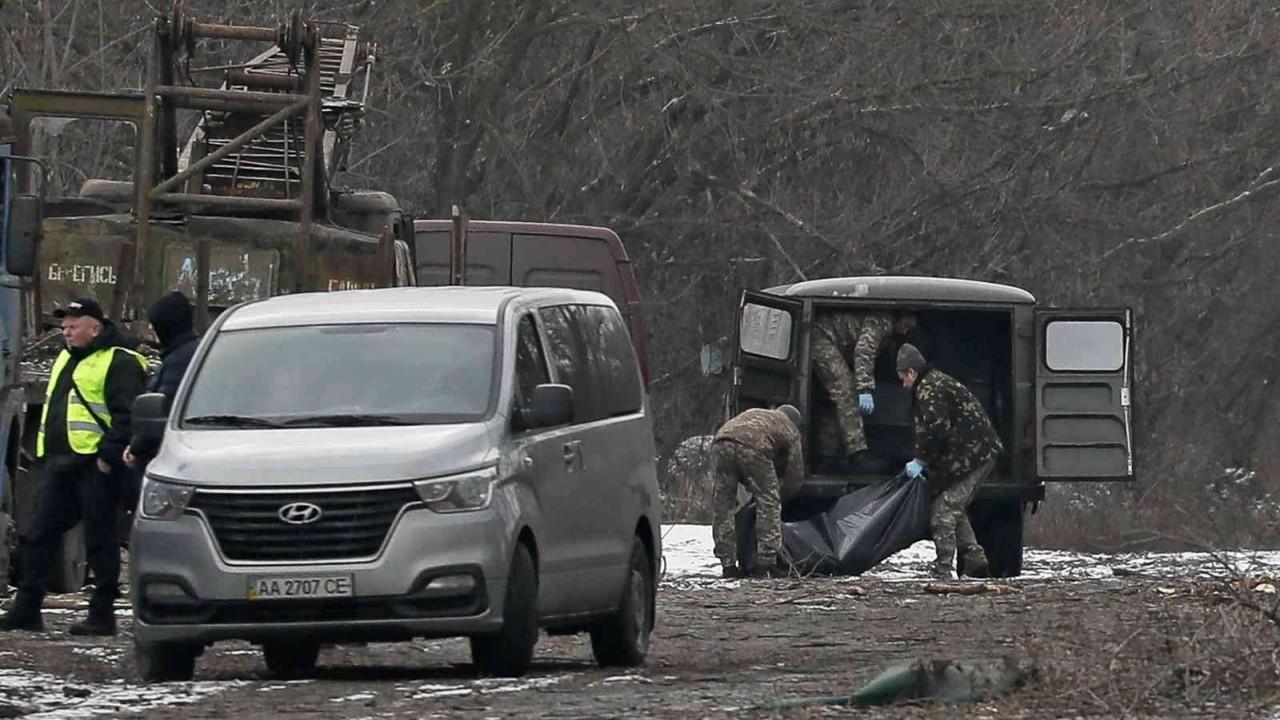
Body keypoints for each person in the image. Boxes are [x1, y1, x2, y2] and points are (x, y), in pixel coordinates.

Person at [0, 297, 148, 635]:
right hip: (62, 463)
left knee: (100, 540)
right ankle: (27, 608)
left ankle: (102, 613)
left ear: (94, 328)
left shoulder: (121, 361)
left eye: (73, 326)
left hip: (95, 466)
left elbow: (128, 416)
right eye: (64, 327)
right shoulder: (67, 357)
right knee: (39, 534)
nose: (66, 332)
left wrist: (107, 457)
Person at [897, 343, 1001, 581]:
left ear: (911, 373)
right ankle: (975, 560)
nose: (903, 385)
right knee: (953, 506)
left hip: (974, 457)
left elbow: (937, 430)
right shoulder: (934, 382)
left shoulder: (929, 388)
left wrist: (921, 461)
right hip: (972, 456)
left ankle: (943, 571)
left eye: (903, 378)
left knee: (942, 513)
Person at [811, 311, 917, 473]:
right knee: (845, 391)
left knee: (837, 397)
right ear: (900, 317)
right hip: (821, 337)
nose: (905, 331)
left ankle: (828, 456)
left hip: (832, 342)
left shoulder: (890, 336)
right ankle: (858, 454)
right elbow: (864, 351)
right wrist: (864, 388)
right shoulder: (882, 321)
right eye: (906, 326)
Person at [711, 404, 804, 579]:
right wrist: (785, 496)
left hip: (721, 442)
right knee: (768, 502)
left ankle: (728, 565)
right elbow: (796, 474)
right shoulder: (790, 428)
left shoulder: (756, 413)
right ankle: (767, 564)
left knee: (723, 506)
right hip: (753, 447)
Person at [124, 291, 199, 471]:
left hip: (166, 458)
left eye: (155, 326)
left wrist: (136, 448)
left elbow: (161, 410)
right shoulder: (193, 352)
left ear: (166, 327)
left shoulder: (178, 361)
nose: (152, 331)